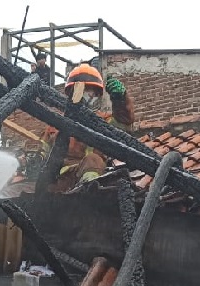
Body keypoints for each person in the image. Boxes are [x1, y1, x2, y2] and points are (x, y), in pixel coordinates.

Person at [39, 63, 135, 191]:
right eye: (86, 89)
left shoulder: (103, 122)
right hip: (61, 182)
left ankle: (87, 191)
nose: (90, 95)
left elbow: (124, 124)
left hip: (92, 178)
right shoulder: (55, 127)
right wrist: (33, 160)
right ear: (72, 92)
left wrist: (120, 100)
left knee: (93, 160)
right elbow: (41, 154)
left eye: (93, 91)